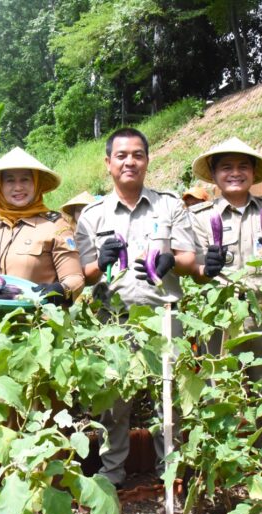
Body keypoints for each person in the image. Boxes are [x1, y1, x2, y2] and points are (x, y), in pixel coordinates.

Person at [75, 127, 198, 488]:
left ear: (147, 159)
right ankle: (112, 472)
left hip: (164, 317)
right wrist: (100, 261)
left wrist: (169, 260)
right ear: (108, 163)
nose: (130, 161)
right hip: (113, 320)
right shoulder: (92, 215)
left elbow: (190, 256)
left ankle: (168, 470)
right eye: (122, 155)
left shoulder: (169, 204)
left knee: (169, 398)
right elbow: (84, 274)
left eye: (137, 155)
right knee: (114, 402)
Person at [187, 137, 262, 448]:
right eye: (226, 168)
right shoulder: (200, 217)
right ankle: (223, 458)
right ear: (214, 174)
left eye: (242, 167)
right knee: (218, 389)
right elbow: (190, 261)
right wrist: (202, 266)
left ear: (253, 172)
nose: (235, 173)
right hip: (221, 318)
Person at [0, 147, 85, 305]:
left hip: (40, 322)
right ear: (0, 186)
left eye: (25, 179)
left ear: (36, 184)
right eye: (10, 180)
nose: (18, 187)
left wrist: (60, 290)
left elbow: (75, 278)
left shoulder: (55, 226)